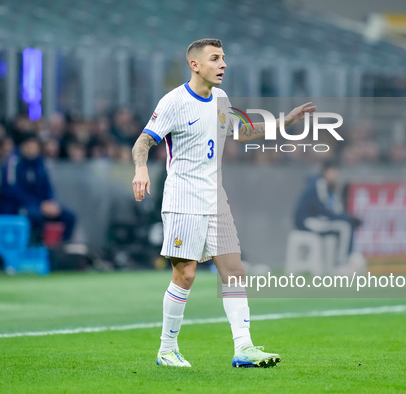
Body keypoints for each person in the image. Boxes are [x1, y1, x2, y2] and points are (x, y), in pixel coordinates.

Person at [131, 38, 315, 368]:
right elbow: (142, 142)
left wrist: (284, 123)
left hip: (216, 198)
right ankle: (166, 349)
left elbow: (242, 132)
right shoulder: (174, 102)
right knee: (185, 274)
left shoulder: (221, 99)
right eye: (215, 58)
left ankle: (243, 347)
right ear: (195, 65)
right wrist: (141, 169)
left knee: (234, 271)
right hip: (183, 199)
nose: (223, 65)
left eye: (224, 58)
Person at [0, 132, 76, 242]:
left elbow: (46, 185)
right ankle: (35, 247)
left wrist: (51, 202)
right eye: (29, 146)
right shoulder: (13, 162)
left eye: (35, 146)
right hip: (17, 205)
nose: (32, 149)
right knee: (35, 217)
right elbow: (11, 190)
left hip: (40, 204)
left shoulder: (39, 162)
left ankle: (59, 248)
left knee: (69, 217)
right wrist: (39, 205)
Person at [294, 159, 363, 271]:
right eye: (333, 172)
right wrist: (347, 220)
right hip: (307, 221)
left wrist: (347, 219)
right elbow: (323, 210)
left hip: (320, 220)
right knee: (343, 227)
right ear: (325, 172)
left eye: (337, 172)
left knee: (345, 225)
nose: (335, 175)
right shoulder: (318, 185)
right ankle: (340, 264)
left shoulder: (332, 188)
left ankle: (344, 260)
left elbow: (335, 210)